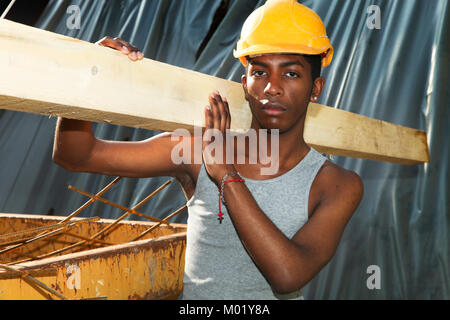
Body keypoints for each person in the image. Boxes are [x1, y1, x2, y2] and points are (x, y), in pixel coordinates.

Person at [53, 0, 363, 300]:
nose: (272, 86)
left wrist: (225, 172)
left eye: (291, 73)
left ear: (316, 88)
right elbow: (76, 155)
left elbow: (287, 275)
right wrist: (89, 75)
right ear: (245, 84)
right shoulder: (197, 150)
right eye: (260, 72)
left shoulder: (336, 184)